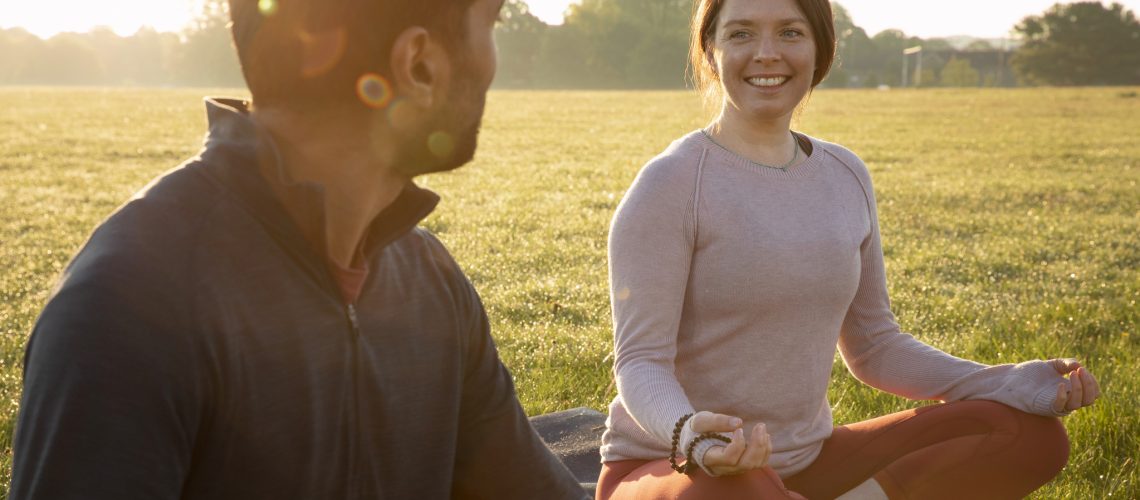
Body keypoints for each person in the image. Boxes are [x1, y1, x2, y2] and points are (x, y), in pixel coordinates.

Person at [9, 0, 588, 498]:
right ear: (418, 64)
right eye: (490, 23)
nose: (492, 62)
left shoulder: (430, 280)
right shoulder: (127, 307)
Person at [597, 0, 1101, 498]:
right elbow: (641, 361)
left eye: (790, 33)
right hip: (679, 467)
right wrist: (693, 436)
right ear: (711, 51)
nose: (767, 53)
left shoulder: (844, 174)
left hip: (807, 461)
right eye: (741, 33)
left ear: (821, 50)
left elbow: (876, 346)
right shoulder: (671, 184)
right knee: (743, 491)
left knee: (1026, 434)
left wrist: (1003, 382)